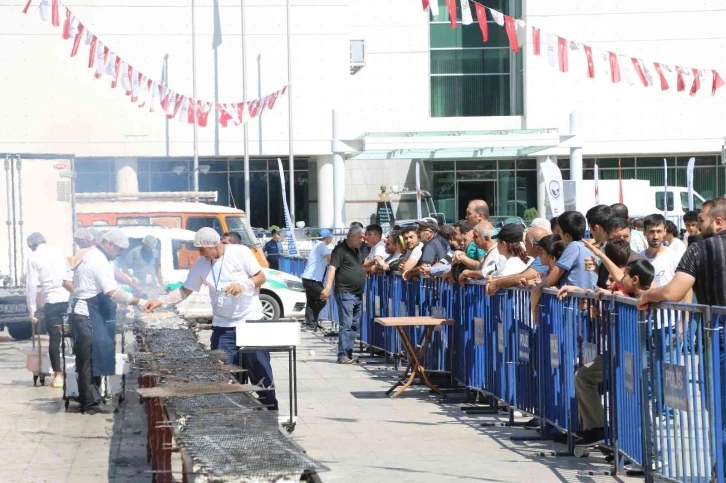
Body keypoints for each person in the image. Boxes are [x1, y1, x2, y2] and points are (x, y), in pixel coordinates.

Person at [146, 228, 277, 409]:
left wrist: (243, 285)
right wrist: (161, 301)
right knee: (222, 372)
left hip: (250, 321)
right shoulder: (201, 263)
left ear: (214, 245)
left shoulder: (240, 252)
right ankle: (234, 412)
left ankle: (270, 408)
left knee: (259, 367)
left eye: (202, 249)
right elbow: (185, 290)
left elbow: (261, 277)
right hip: (223, 326)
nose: (199, 253)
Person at [67, 229, 147, 414]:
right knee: (88, 360)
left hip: (93, 314)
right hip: (86, 315)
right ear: (109, 244)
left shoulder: (98, 256)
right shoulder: (97, 260)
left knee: (95, 357)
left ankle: (93, 398)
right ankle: (90, 403)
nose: (120, 253)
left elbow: (112, 283)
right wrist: (138, 302)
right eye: (119, 249)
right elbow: (114, 293)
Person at [24, 232, 73, 388]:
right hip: (68, 299)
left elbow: (31, 285)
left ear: (32, 246)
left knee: (55, 338)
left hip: (52, 302)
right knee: (74, 334)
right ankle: (76, 370)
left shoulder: (33, 257)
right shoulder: (58, 251)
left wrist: (31, 309)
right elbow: (69, 273)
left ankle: (58, 375)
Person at [321, 226, 366, 364]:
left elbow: (361, 265)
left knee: (354, 324)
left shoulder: (357, 250)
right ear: (351, 237)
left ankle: (349, 352)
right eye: (360, 237)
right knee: (346, 324)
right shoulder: (340, 250)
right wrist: (328, 287)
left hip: (357, 293)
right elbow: (332, 268)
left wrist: (379, 263)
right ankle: (342, 355)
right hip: (345, 292)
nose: (362, 240)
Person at [485, 227, 551, 295]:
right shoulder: (539, 259)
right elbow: (520, 275)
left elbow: (522, 276)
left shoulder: (543, 259)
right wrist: (495, 279)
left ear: (531, 244)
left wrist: (496, 283)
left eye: (526, 241)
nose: (524, 245)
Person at [543, 211, 596, 290]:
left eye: (560, 231)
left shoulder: (574, 246)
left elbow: (552, 279)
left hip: (574, 299)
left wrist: (539, 285)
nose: (559, 234)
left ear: (567, 235)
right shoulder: (588, 246)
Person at [301, 229, 332, 329]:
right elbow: (329, 258)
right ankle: (312, 321)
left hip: (308, 278)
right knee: (323, 298)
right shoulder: (322, 245)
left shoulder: (317, 245)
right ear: (328, 238)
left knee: (311, 301)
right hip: (312, 279)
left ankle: (311, 323)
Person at [640, 214, 682, 288]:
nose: (655, 236)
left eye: (659, 231)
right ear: (644, 232)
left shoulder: (675, 258)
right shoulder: (640, 259)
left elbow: (686, 288)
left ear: (665, 232)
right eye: (651, 232)